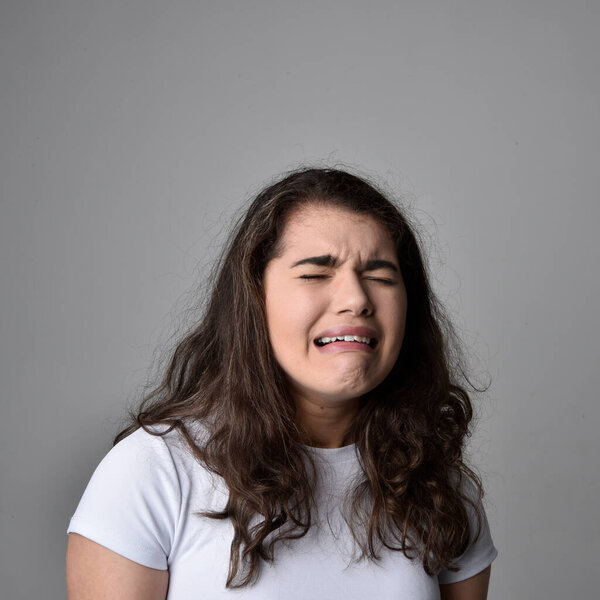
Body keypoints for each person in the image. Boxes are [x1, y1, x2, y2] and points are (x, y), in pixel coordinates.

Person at [66, 167, 497, 599]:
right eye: (315, 274)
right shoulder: (155, 471)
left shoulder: (440, 488)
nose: (357, 299)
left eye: (382, 277)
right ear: (255, 297)